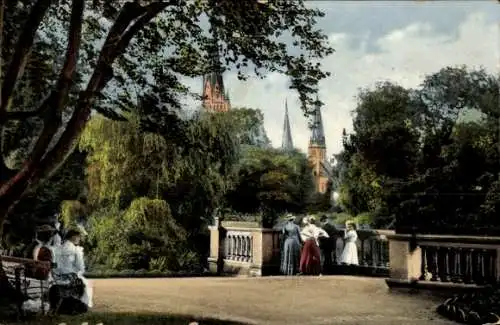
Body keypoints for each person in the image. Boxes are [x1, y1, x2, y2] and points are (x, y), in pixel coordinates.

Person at [51, 228, 93, 313]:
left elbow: (54, 266)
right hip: (70, 279)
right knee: (86, 283)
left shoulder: (57, 249)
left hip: (56, 279)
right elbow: (81, 268)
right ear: (73, 237)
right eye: (78, 237)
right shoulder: (76, 249)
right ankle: (80, 305)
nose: (79, 239)